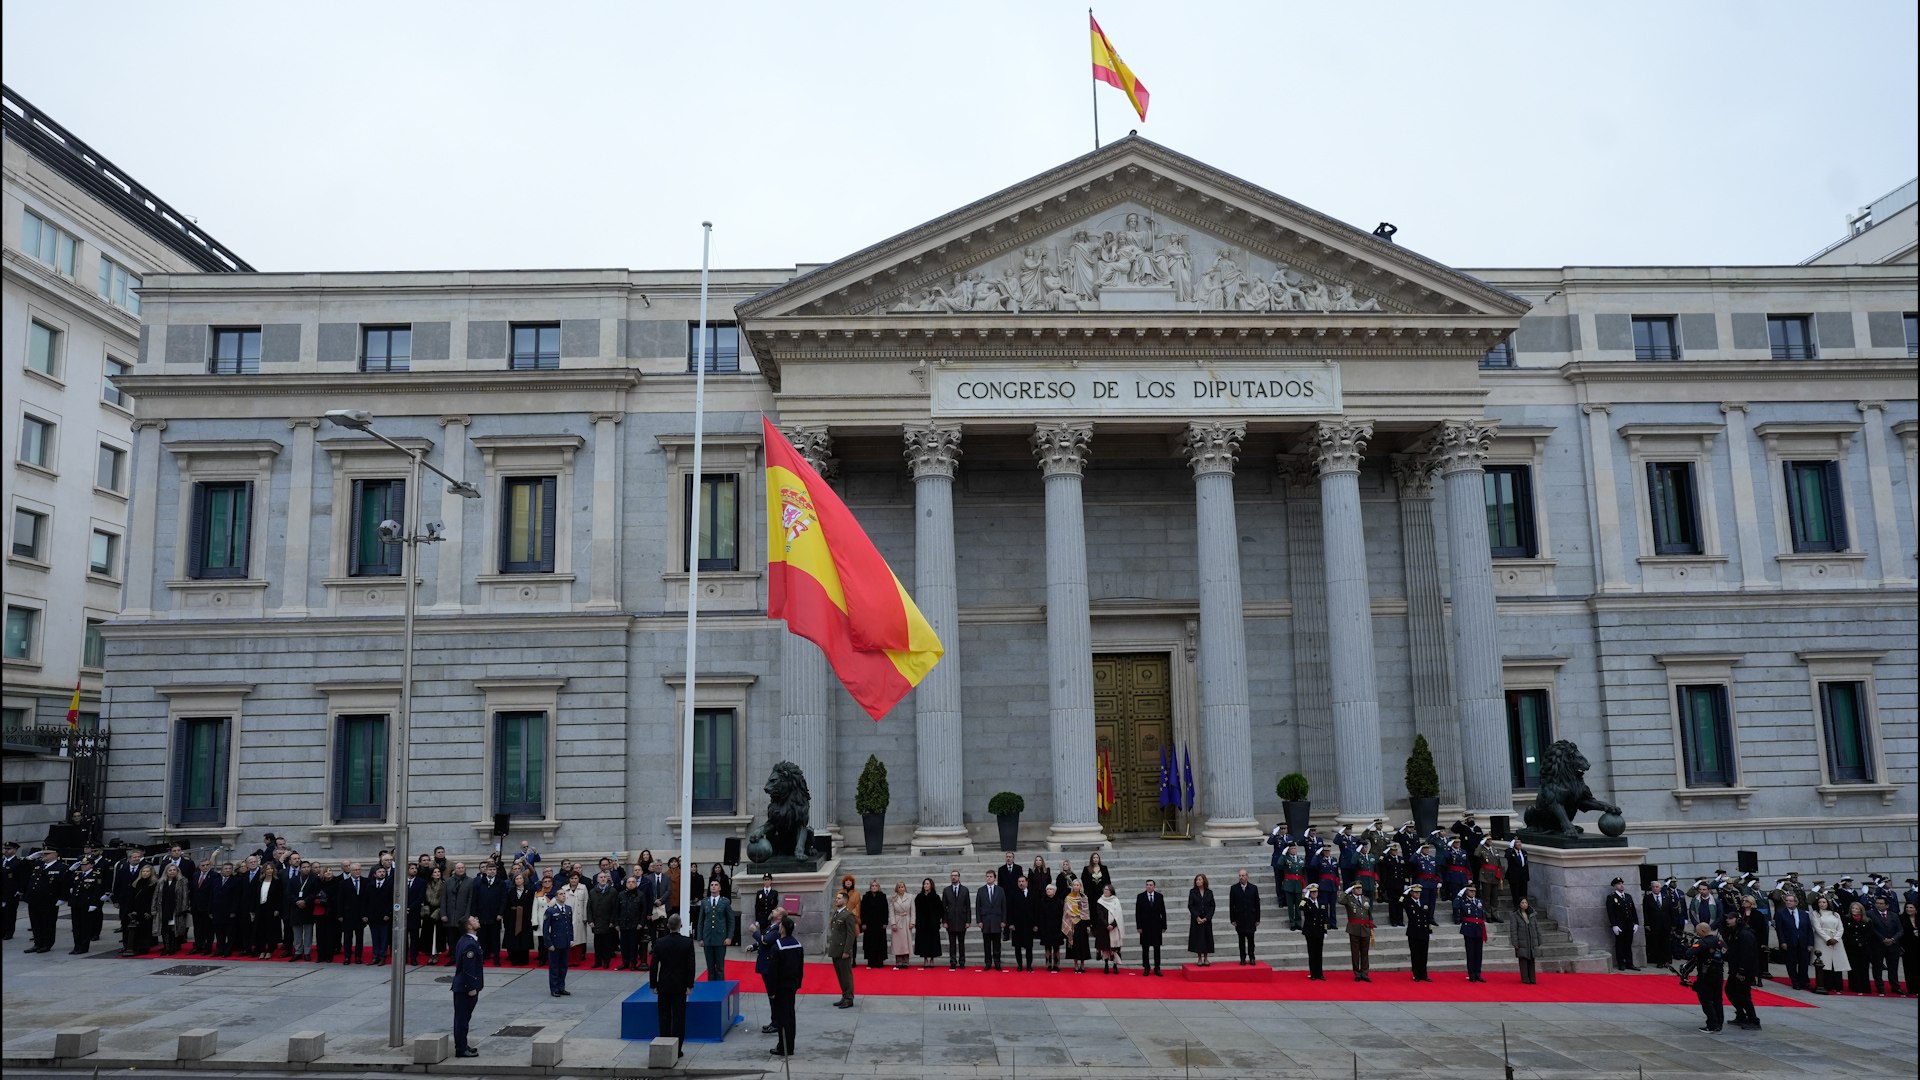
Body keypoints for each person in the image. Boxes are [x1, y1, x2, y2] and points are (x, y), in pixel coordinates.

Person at [650, 912, 696, 1057]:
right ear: (681, 925)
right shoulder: (687, 943)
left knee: (664, 1016)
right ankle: (677, 1049)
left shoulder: (660, 942)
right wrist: (689, 985)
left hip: (664, 983)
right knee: (679, 1018)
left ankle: (664, 1046)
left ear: (668, 926)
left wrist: (654, 984)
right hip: (680, 985)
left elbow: (654, 965)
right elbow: (691, 966)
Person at [1677, 922, 1726, 1033]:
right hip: (1719, 974)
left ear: (1702, 931)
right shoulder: (1719, 941)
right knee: (1717, 1000)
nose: (1697, 934)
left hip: (1706, 975)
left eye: (1698, 932)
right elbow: (1726, 954)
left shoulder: (1701, 942)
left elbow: (1688, 954)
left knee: (1706, 1000)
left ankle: (1712, 1024)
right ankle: (1719, 1023)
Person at [767, 917, 804, 1057]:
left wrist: (771, 991)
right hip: (792, 985)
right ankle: (790, 1045)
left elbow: (773, 972)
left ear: (782, 929)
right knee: (790, 1015)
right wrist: (798, 983)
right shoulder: (797, 945)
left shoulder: (777, 947)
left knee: (782, 1018)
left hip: (780, 987)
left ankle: (783, 1047)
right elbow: (800, 967)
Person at [450, 915, 484, 1058]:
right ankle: (461, 1048)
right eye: (474, 920)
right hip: (465, 987)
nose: (477, 920)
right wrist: (471, 988)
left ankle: (463, 1044)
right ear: (469, 926)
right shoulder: (470, 944)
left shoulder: (466, 940)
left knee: (463, 1018)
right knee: (462, 1020)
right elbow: (468, 968)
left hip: (463, 986)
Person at [1720, 911, 1760, 1029]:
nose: (1727, 920)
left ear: (1737, 919)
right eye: (1727, 918)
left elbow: (1747, 954)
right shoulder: (1735, 931)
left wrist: (1742, 971)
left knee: (1743, 995)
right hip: (1735, 968)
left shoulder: (1745, 934)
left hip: (1744, 970)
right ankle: (1741, 1014)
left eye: (1730, 918)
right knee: (1730, 990)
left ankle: (1753, 1020)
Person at [23, 848, 68, 953]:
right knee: (35, 922)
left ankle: (47, 944)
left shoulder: (61, 867)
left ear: (55, 854)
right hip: (33, 898)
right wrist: (29, 858)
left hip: (49, 900)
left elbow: (64, 884)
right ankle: (37, 943)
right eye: (43, 853)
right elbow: (22, 867)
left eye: (47, 853)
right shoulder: (38, 864)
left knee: (48, 923)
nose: (44, 855)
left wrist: (62, 898)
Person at [751, 907, 784, 1034]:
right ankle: (774, 1021)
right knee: (771, 995)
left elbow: (765, 941)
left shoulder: (777, 929)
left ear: (779, 917)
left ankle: (776, 1022)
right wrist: (754, 946)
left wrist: (755, 932)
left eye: (776, 910)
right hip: (766, 964)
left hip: (770, 965)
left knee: (773, 995)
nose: (773, 911)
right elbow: (764, 940)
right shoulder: (771, 926)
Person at [1773, 890, 1813, 990]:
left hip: (1803, 942)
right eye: (1787, 901)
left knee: (1804, 963)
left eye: (1790, 901)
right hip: (1789, 942)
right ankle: (1795, 981)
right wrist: (1782, 942)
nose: (1788, 902)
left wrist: (1810, 943)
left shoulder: (1804, 914)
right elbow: (1780, 930)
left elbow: (1809, 929)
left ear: (1796, 902)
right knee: (1791, 963)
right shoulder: (1781, 914)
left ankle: (1803, 980)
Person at [697, 878, 734, 982]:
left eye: (716, 885)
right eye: (712, 885)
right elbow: (701, 921)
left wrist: (729, 937)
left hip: (720, 938)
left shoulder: (725, 902)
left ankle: (720, 988)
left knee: (720, 967)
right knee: (710, 968)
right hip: (707, 938)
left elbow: (731, 920)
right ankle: (711, 988)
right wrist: (700, 938)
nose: (713, 886)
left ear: (720, 888)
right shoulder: (705, 902)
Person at [541, 885, 574, 996]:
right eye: (561, 894)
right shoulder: (550, 911)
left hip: (565, 942)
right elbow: (545, 929)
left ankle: (561, 987)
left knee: (564, 966)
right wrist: (548, 943)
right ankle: (554, 988)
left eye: (564, 894)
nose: (563, 896)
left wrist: (571, 939)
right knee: (554, 967)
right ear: (556, 897)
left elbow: (569, 926)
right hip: (555, 943)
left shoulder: (568, 909)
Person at [826, 889, 856, 1007]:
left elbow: (851, 934)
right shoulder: (836, 913)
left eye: (839, 898)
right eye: (836, 898)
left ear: (845, 901)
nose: (836, 900)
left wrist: (847, 951)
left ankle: (849, 998)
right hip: (836, 949)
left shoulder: (848, 915)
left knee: (846, 976)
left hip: (843, 949)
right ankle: (844, 995)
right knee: (840, 975)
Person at [1866, 895, 1902, 995]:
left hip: (1893, 945)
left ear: (1887, 905)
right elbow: (1872, 929)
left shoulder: (1894, 915)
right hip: (1877, 945)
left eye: (1881, 903)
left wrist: (1893, 939)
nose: (1878, 905)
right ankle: (1880, 986)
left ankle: (1895, 986)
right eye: (1877, 903)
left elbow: (1900, 930)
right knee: (1877, 967)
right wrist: (1883, 939)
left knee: (1893, 968)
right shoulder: (1870, 914)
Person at [1811, 895, 1846, 994]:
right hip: (1822, 940)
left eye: (1824, 902)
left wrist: (1836, 938)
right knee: (1824, 963)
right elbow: (1817, 928)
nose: (1822, 904)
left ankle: (1837, 985)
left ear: (1828, 903)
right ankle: (1826, 985)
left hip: (1836, 940)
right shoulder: (1815, 914)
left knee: (1836, 963)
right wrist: (1828, 939)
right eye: (1820, 902)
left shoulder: (1835, 914)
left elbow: (1841, 928)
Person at [154, 863, 192, 955]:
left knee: (173, 929)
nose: (172, 872)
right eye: (170, 870)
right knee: (164, 929)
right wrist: (154, 908)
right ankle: (166, 948)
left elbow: (185, 896)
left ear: (177, 871)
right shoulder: (161, 881)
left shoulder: (182, 881)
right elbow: (156, 895)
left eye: (174, 870)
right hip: (163, 909)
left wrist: (183, 908)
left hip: (176, 909)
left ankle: (172, 948)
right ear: (166, 871)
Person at [1132, 879, 1167, 976]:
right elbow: (1138, 913)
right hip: (1145, 926)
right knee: (1145, 948)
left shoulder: (1159, 896)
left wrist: (1164, 925)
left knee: (1157, 948)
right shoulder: (1140, 896)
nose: (1149, 886)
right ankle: (1146, 967)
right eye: (1147, 885)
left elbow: (1163, 912)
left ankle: (1157, 967)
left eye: (1151, 885)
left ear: (1154, 886)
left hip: (1157, 926)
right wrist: (1139, 926)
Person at [1227, 868, 1260, 966]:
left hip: (1251, 918)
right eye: (1240, 876)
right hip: (1239, 918)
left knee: (1251, 940)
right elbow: (1231, 904)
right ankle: (1242, 958)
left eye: (1243, 875)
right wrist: (1232, 919)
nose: (1241, 877)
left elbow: (1257, 904)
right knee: (1241, 940)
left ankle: (1252, 957)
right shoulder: (1234, 888)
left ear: (1247, 876)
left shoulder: (1253, 888)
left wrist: (1257, 919)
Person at [1605, 877, 1639, 971]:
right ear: (1615, 886)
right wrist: (1614, 925)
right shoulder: (1611, 897)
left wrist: (1636, 923)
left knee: (1628, 944)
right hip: (1619, 925)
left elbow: (1633, 910)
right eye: (1619, 884)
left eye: (1622, 883)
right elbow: (1611, 913)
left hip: (1629, 924)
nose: (1621, 885)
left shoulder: (1628, 896)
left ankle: (1630, 963)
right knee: (1620, 945)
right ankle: (1621, 963)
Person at [976, 870, 1006, 972]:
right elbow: (978, 907)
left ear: (994, 878)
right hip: (985, 921)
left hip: (997, 921)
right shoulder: (981, 890)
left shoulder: (1000, 890)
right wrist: (979, 921)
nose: (988, 878)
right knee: (987, 944)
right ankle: (988, 963)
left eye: (990, 876)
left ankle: (997, 962)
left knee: (997, 944)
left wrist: (1003, 920)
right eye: (987, 876)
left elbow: (1004, 906)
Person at [1342, 883, 1373, 982]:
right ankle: (1357, 973)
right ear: (1353, 889)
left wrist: (1371, 925)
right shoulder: (1348, 899)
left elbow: (1369, 913)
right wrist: (1347, 891)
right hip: (1354, 928)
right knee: (1355, 952)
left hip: (1365, 928)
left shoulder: (1366, 899)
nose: (1359, 889)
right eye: (1357, 888)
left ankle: (1365, 973)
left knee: (1365, 952)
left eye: (1360, 888)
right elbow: (1340, 900)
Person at [941, 870, 972, 970]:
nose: (953, 877)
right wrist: (944, 921)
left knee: (961, 942)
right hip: (950, 921)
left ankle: (962, 961)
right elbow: (943, 907)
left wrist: (968, 921)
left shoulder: (965, 890)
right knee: (952, 943)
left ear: (959, 877)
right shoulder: (946, 890)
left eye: (955, 875)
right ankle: (953, 961)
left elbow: (968, 906)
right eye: (952, 875)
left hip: (962, 920)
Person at [1642, 878, 1674, 970]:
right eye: (1654, 887)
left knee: (1666, 942)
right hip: (1654, 924)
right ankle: (1659, 961)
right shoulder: (1647, 898)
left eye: (1657, 887)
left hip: (1666, 924)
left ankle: (1667, 960)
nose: (1655, 888)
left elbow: (1671, 911)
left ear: (1660, 888)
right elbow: (1645, 912)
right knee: (1657, 943)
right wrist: (1647, 924)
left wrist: (1673, 924)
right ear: (1651, 888)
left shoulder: (1666, 897)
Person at [367, 864, 395, 965]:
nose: (382, 873)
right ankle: (375, 956)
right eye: (379, 872)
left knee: (384, 937)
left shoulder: (390, 884)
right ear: (374, 874)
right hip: (373, 916)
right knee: (375, 937)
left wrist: (388, 913)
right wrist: (365, 914)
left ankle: (383, 956)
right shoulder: (369, 884)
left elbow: (391, 900)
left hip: (385, 916)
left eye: (383, 872)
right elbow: (366, 900)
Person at [1299, 883, 1328, 980]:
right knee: (1312, 953)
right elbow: (1300, 907)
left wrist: (1325, 930)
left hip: (1320, 930)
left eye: (1315, 891)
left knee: (1319, 953)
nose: (1314, 893)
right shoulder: (1306, 902)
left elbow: (1325, 917)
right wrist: (1305, 897)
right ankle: (1313, 974)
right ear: (1309, 893)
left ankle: (1320, 973)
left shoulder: (1322, 902)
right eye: (1312, 892)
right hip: (1310, 931)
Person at [1842, 901, 1872, 995]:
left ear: (1861, 910)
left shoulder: (1867, 921)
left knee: (1863, 967)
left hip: (1863, 947)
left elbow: (1869, 934)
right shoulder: (1846, 919)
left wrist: (1861, 942)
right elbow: (1845, 933)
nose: (1854, 910)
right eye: (1853, 908)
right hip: (1851, 947)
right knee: (1853, 967)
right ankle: (1855, 986)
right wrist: (1854, 941)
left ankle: (1865, 987)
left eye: (1856, 908)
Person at [1404, 885, 1433, 982]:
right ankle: (1416, 974)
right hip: (1414, 932)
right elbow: (1399, 902)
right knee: (1415, 954)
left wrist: (1430, 930)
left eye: (1419, 892)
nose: (1418, 894)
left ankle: (1424, 974)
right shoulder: (1408, 902)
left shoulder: (1424, 902)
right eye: (1415, 892)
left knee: (1424, 954)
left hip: (1424, 931)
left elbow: (1427, 917)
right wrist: (1406, 891)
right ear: (1411, 893)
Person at [1459, 884, 1487, 982]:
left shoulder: (1479, 901)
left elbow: (1481, 914)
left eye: (1474, 891)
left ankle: (1478, 973)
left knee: (1478, 953)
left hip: (1478, 929)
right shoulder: (1463, 901)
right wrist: (1460, 894)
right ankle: (1471, 974)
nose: (1473, 893)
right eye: (1471, 891)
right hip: (1469, 929)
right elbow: (1455, 905)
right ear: (1466, 892)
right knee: (1470, 953)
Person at [912, 877, 943, 966]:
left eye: (927, 884)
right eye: (924, 884)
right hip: (922, 923)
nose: (925, 885)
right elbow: (916, 910)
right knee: (923, 941)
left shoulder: (936, 897)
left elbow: (940, 910)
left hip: (933, 922)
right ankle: (925, 958)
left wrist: (939, 919)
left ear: (931, 885)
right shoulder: (919, 897)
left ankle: (932, 959)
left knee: (933, 941)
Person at [1511, 896, 1542, 984]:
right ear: (1519, 904)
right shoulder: (1515, 915)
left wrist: (1539, 939)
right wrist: (1515, 942)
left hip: (1531, 940)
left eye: (1526, 903)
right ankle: (1525, 978)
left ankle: (1532, 978)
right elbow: (1513, 930)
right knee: (1523, 960)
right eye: (1522, 903)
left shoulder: (1532, 914)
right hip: (1522, 941)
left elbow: (1537, 927)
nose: (1524, 904)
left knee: (1532, 959)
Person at [1095, 883, 1125, 974]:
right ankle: (1106, 964)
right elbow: (1099, 914)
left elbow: (1119, 915)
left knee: (1115, 948)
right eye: (1104, 889)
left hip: (1114, 928)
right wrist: (1106, 925)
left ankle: (1115, 965)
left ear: (1111, 891)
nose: (1105, 891)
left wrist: (1113, 925)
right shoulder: (1100, 901)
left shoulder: (1116, 901)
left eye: (1107, 890)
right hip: (1103, 928)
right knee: (1105, 948)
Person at [1007, 875, 1034, 972]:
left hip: (1029, 924)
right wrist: (1010, 923)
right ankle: (1019, 965)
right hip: (1017, 925)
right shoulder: (1013, 893)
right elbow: (1010, 909)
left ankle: (1029, 965)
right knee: (1017, 947)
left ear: (1027, 882)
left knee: (1029, 946)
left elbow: (1036, 909)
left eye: (1023, 881)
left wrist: (1035, 924)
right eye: (1019, 882)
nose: (1021, 883)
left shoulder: (1033, 893)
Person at [859, 881, 889, 969]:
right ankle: (871, 961)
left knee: (880, 943)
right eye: (872, 886)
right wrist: (863, 923)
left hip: (880, 924)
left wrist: (885, 922)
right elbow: (862, 911)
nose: (874, 887)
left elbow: (885, 910)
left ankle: (879, 961)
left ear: (878, 887)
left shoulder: (883, 896)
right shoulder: (866, 897)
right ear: (870, 887)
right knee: (870, 943)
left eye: (876, 886)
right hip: (869, 924)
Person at [1188, 873, 1216, 966]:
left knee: (1207, 938)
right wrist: (1197, 917)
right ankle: (1199, 958)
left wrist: (1207, 918)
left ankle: (1206, 958)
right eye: (1196, 880)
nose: (1198, 881)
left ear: (1204, 881)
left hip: (1206, 919)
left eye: (1199, 879)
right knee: (1198, 939)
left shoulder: (1209, 892)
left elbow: (1212, 906)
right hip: (1197, 920)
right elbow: (1190, 905)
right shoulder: (1192, 892)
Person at [1063, 881, 1091, 973]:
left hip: (1082, 923)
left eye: (1077, 885)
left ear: (1080, 886)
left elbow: (1086, 911)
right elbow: (1066, 911)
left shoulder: (1084, 897)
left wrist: (1088, 925)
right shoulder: (1068, 897)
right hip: (1072, 923)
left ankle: (1082, 964)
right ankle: (1075, 964)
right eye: (1074, 885)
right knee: (1074, 944)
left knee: (1083, 943)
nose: (1076, 886)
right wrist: (1072, 915)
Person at [1038, 882, 1065, 972]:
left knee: (1056, 947)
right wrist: (1041, 927)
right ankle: (1049, 964)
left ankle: (1056, 964)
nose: (1048, 891)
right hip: (1046, 927)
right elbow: (1040, 915)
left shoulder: (1059, 901)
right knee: (1047, 947)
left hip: (1057, 927)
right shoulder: (1042, 901)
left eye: (1050, 889)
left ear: (1054, 891)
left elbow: (1062, 916)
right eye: (1047, 889)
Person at [888, 882, 914, 968]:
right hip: (897, 920)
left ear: (905, 888)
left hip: (906, 920)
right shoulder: (893, 898)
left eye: (902, 887)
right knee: (897, 942)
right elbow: (891, 912)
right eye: (899, 887)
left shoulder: (910, 897)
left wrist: (912, 922)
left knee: (906, 942)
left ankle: (906, 961)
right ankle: (898, 961)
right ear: (897, 888)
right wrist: (893, 923)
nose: (901, 888)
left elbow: (913, 910)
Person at [1900, 900, 1919, 998]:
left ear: (1916, 909)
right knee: (1909, 969)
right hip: (1907, 948)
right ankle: (1911, 989)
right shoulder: (1901, 918)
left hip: (1917, 947)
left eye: (1911, 907)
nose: (1909, 909)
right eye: (1907, 907)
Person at [1506, 839, 1530, 914]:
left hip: (1523, 876)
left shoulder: (1524, 852)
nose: (1519, 844)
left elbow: (1525, 864)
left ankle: (1525, 907)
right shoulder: (1510, 852)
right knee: (1516, 893)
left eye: (1520, 842)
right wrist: (1510, 848)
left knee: (1524, 893)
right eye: (1517, 842)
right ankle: (1517, 907)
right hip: (1514, 876)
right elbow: (1507, 856)